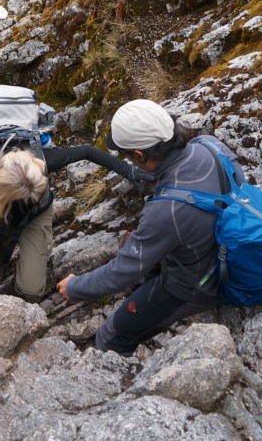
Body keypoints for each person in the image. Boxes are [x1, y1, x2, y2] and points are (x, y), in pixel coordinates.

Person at [57, 99, 245, 355]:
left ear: (139, 155)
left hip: (193, 284)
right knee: (130, 243)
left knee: (109, 338)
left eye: (126, 155)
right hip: (221, 244)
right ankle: (142, 300)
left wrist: (75, 287)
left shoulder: (166, 211)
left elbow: (121, 272)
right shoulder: (211, 145)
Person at [0, 139, 153, 302]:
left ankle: (9, 283)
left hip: (37, 214)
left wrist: (129, 170)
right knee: (1, 233)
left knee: (31, 291)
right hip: (3, 214)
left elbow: (87, 151)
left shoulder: (45, 157)